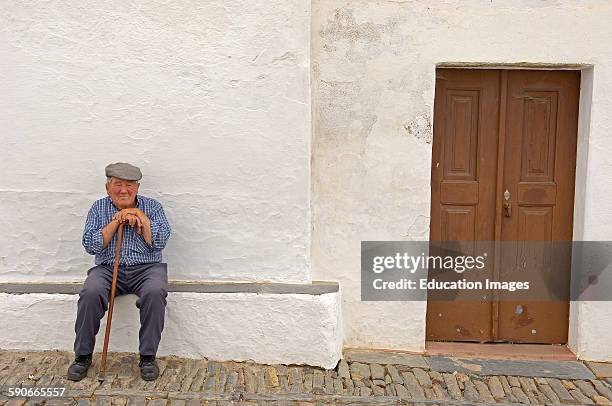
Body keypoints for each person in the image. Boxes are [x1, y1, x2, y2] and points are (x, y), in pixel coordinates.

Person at [67, 162, 172, 381]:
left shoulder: (153, 207)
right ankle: (83, 355)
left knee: (155, 292)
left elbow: (160, 242)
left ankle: (148, 356)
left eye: (129, 185)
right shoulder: (98, 208)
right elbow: (91, 245)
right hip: (107, 268)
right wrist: (116, 222)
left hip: (147, 268)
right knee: (90, 293)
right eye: (117, 184)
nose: (124, 190)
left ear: (137, 187)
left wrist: (141, 218)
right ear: (108, 188)